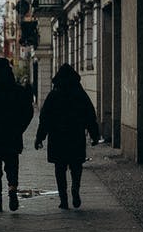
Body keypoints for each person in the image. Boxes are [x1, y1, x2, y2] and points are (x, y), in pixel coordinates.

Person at [34, 63, 99, 209]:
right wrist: (94, 135)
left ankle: (63, 199)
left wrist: (40, 138)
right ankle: (75, 188)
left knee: (60, 168)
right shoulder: (80, 94)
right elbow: (90, 115)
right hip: (76, 136)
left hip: (58, 137)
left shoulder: (53, 95)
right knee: (76, 166)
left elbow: (44, 119)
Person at [0, 57, 34, 212]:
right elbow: (28, 112)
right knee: (12, 164)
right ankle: (12, 188)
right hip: (13, 135)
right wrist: (20, 128)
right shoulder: (18, 91)